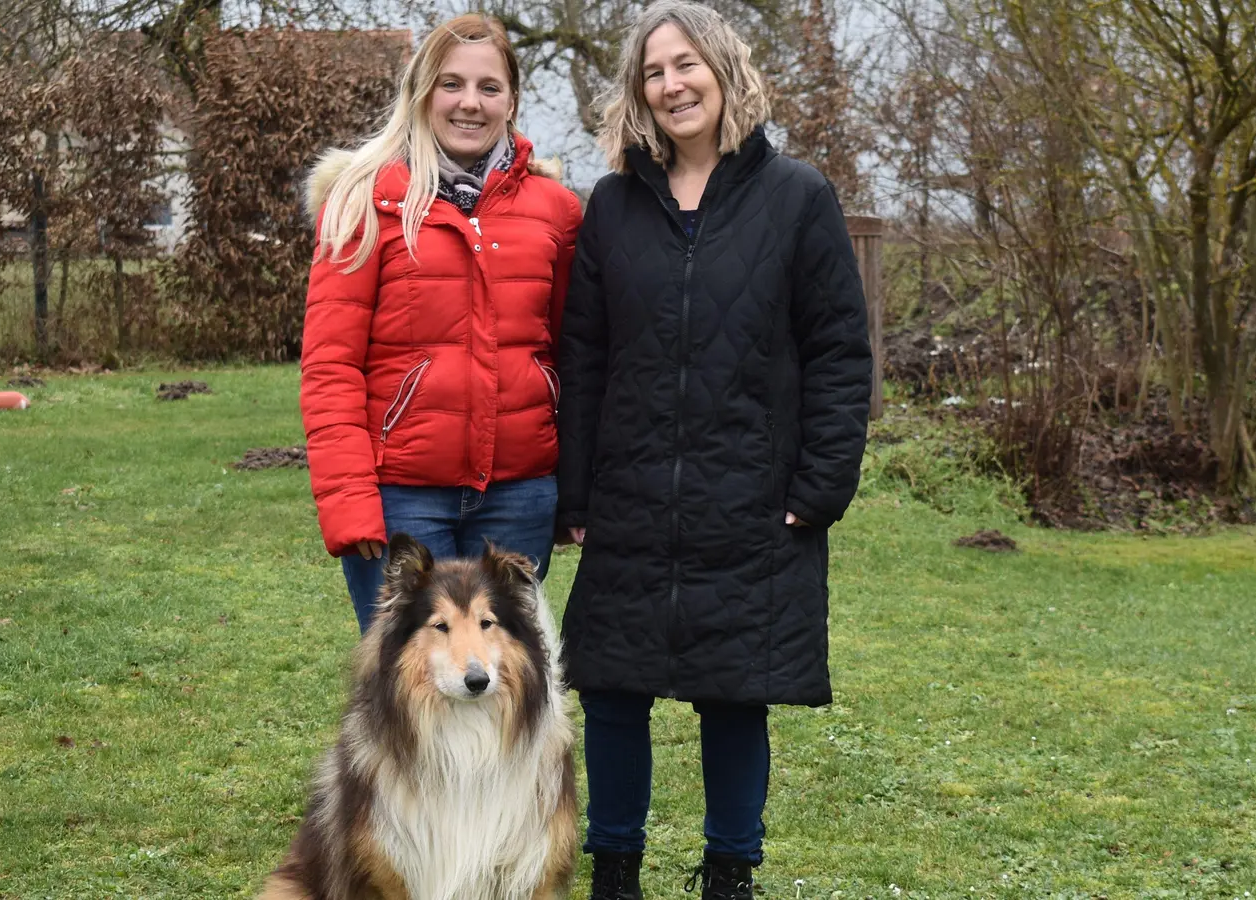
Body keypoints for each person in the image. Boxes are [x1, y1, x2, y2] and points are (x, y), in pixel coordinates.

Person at [556, 1, 872, 896]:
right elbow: (585, 355)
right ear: (638, 92)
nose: (672, 85)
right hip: (630, 494)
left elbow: (839, 352)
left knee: (734, 696)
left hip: (752, 500)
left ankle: (730, 872)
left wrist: (819, 487)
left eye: (686, 64)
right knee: (613, 691)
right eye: (654, 72)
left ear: (725, 72)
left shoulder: (798, 197)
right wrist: (577, 494)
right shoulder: (613, 204)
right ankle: (615, 869)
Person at [301, 14, 581, 631]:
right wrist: (349, 500)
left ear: (512, 100)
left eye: (489, 87)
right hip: (401, 498)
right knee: (412, 677)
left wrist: (574, 487)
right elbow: (330, 365)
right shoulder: (364, 200)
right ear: (422, 91)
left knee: (506, 675)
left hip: (520, 496)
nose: (469, 103)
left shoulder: (556, 211)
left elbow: (573, 353)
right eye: (451, 84)